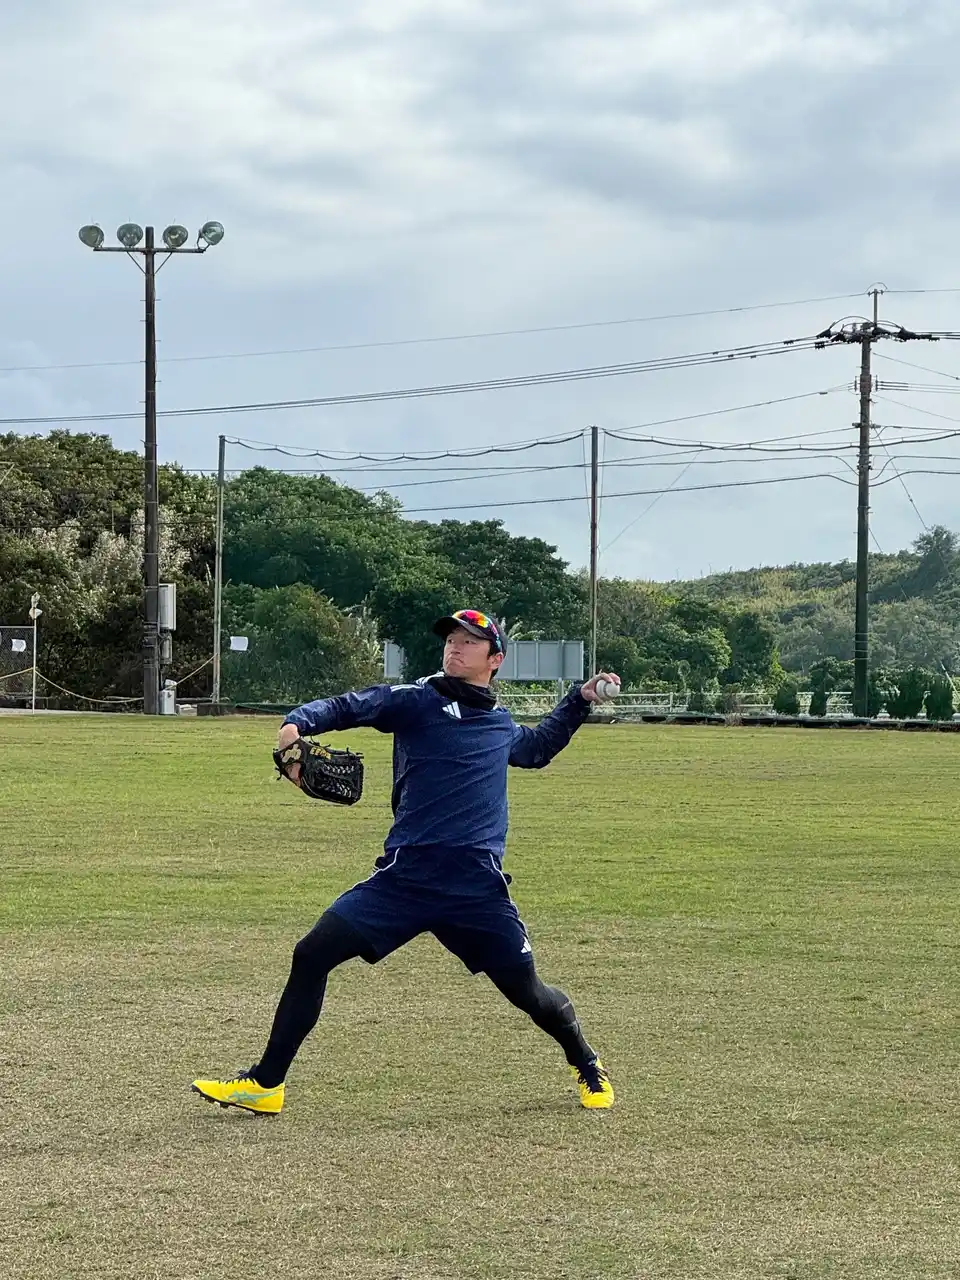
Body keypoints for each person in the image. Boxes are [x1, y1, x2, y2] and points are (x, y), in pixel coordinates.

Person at [192, 608, 619, 1115]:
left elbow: (539, 747)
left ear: (495, 659)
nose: (455, 646)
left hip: (475, 889)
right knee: (312, 954)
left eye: (470, 641)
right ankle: (266, 1084)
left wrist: (579, 699)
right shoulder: (418, 700)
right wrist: (295, 724)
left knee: (530, 994)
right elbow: (352, 705)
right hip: (406, 880)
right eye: (452, 638)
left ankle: (585, 1061)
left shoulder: (500, 725)